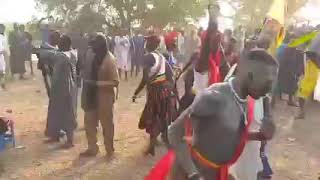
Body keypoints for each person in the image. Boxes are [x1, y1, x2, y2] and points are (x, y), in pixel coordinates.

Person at [168, 48, 278, 180]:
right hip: (192, 172)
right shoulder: (214, 98)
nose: (269, 90)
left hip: (217, 173)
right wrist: (193, 174)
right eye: (267, 84)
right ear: (250, 76)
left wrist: (261, 135)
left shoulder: (245, 100)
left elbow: (227, 134)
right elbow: (174, 132)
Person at [132, 35, 177, 156]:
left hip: (154, 92)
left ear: (149, 44)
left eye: (146, 42)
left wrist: (137, 92)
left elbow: (145, 78)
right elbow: (170, 75)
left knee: (152, 118)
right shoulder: (161, 57)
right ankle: (166, 143)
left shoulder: (147, 57)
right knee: (162, 117)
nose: (145, 44)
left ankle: (152, 147)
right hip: (164, 92)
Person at [80, 34, 119, 157]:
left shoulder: (110, 60)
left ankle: (109, 149)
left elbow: (115, 82)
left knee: (107, 124)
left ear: (102, 46)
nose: (93, 49)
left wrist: (96, 84)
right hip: (91, 96)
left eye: (95, 46)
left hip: (105, 97)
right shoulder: (92, 56)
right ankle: (92, 148)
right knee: (89, 122)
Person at [37, 35, 78, 148]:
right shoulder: (72, 53)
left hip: (63, 88)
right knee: (56, 111)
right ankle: (55, 135)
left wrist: (42, 49)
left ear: (64, 44)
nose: (58, 44)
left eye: (60, 43)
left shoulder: (62, 56)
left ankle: (70, 140)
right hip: (64, 87)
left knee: (67, 113)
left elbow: (51, 54)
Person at [296, 33, 320, 119]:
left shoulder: (316, 35)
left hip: (313, 62)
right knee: (303, 90)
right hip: (313, 65)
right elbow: (311, 52)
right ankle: (301, 112)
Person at [0, 24, 7, 90]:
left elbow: (4, 47)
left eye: (3, 28)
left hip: (1, 56)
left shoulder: (3, 36)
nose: (2, 30)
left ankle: (3, 84)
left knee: (2, 71)